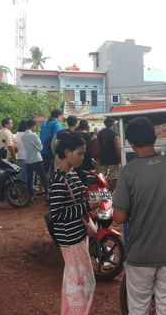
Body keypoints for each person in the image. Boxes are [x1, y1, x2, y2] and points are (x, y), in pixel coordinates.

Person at [112, 117, 166, 315]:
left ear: (130, 142)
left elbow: (118, 218)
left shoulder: (128, 172)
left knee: (138, 307)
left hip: (141, 254)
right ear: (154, 138)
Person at [49, 132, 98, 314]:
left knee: (81, 282)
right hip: (70, 239)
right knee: (80, 283)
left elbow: (77, 197)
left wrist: (91, 195)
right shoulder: (59, 180)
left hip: (78, 235)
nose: (83, 157)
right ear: (67, 152)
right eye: (80, 153)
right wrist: (87, 204)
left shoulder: (72, 174)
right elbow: (57, 214)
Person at [22, 119, 49, 201]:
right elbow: (40, 148)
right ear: (33, 126)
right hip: (37, 159)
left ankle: (30, 196)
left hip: (28, 160)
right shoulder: (34, 135)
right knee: (43, 177)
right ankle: (48, 194)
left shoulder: (23, 136)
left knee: (30, 179)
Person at [96, 117, 121, 191]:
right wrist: (120, 159)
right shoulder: (114, 134)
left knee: (103, 177)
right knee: (112, 177)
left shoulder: (99, 133)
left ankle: (104, 193)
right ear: (113, 124)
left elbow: (98, 147)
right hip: (113, 159)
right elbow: (118, 147)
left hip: (103, 159)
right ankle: (111, 192)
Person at [40, 109, 64, 175]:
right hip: (52, 153)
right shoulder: (57, 125)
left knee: (45, 174)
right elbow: (59, 140)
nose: (62, 118)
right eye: (62, 116)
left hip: (42, 152)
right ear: (59, 116)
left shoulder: (44, 124)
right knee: (53, 174)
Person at [75, 119, 95, 185]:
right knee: (86, 173)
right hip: (87, 156)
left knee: (78, 171)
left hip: (78, 155)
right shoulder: (88, 135)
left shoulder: (76, 134)